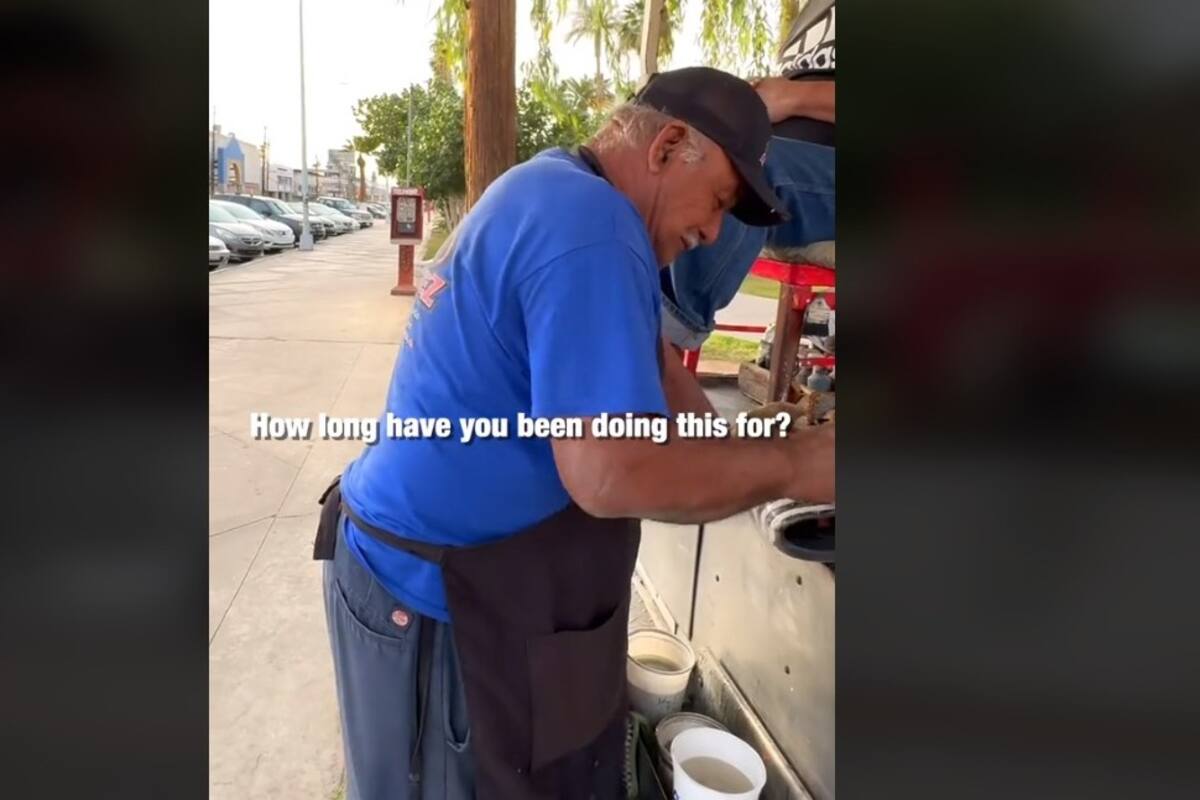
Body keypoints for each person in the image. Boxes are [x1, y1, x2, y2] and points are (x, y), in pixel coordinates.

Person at [313, 67, 835, 800]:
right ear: (667, 146)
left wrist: (743, 453)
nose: (715, 232)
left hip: (398, 566)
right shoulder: (595, 225)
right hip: (428, 600)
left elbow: (660, 367)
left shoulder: (559, 187)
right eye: (719, 201)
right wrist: (794, 464)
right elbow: (610, 474)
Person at [661, 0, 836, 350]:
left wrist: (796, 97)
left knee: (740, 169)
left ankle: (658, 348)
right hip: (791, 163)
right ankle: (612, 318)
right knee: (677, 140)